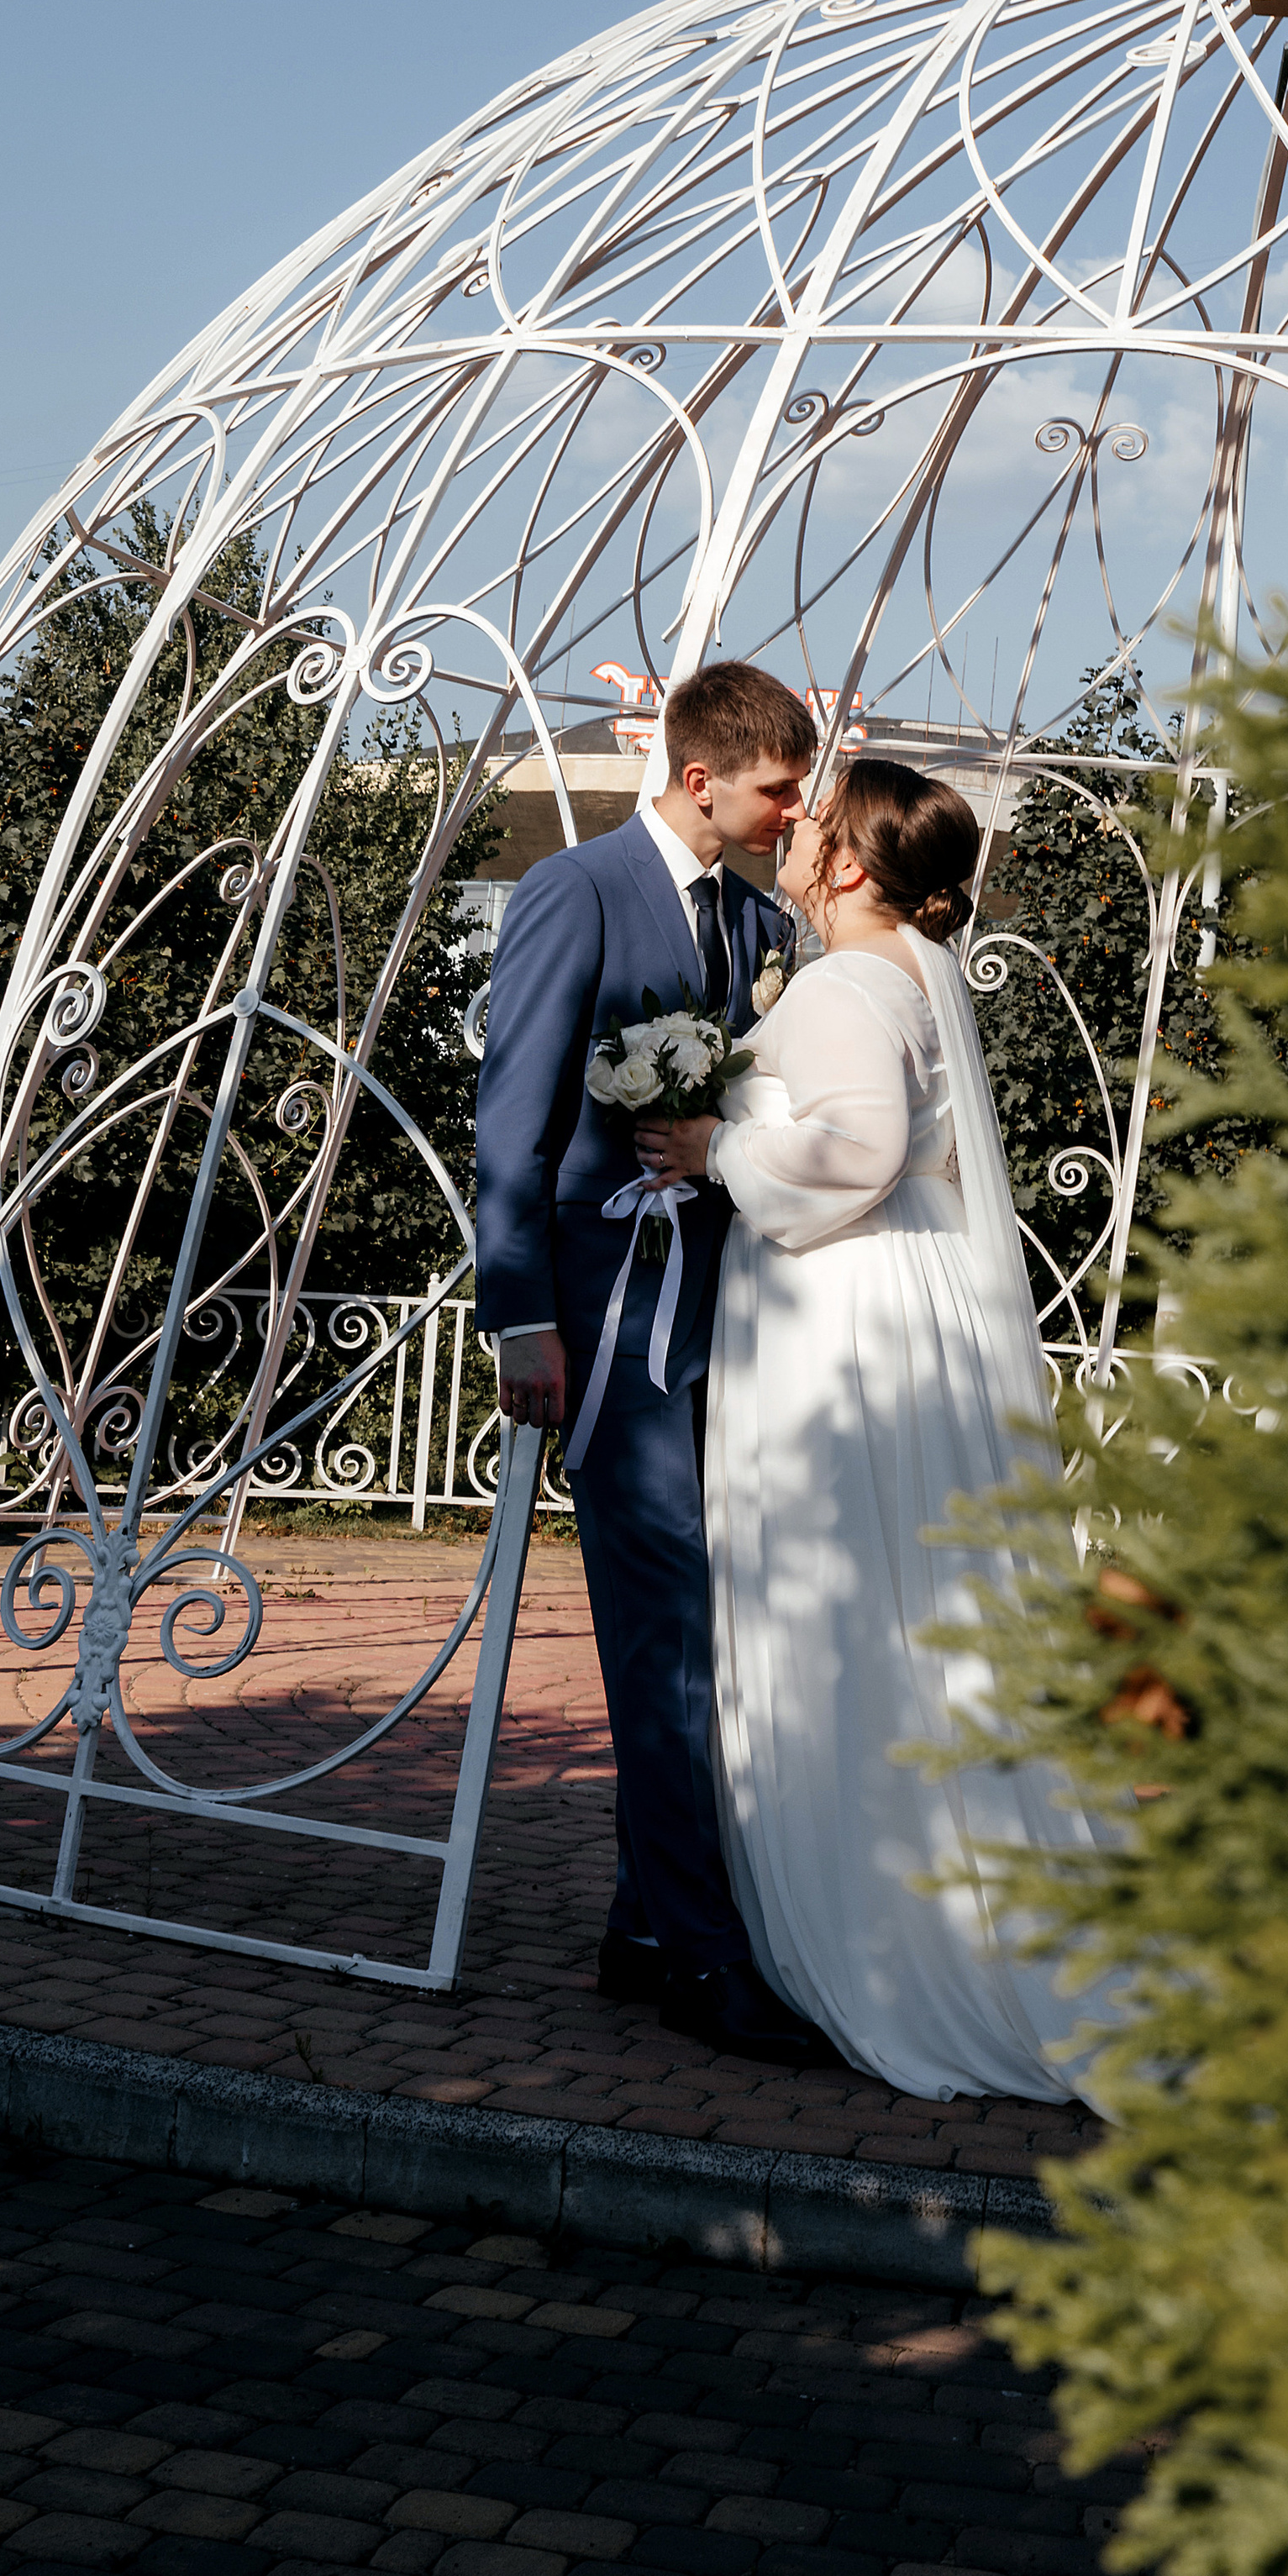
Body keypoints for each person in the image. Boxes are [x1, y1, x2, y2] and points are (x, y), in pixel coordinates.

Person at [633, 758, 1112, 2104]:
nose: (792, 837)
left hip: (837, 1310)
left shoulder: (846, 984)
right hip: (909, 1295)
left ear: (848, 865)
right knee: (907, 1604)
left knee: (842, 1609)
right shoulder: (914, 966)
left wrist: (713, 1153)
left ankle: (874, 1934)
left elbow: (853, 1152)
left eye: (815, 824)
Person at [474, 660, 823, 2064]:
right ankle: (700, 1948)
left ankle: (637, 1916)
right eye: (777, 787)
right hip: (605, 1318)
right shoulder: (575, 890)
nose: (796, 810)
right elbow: (516, 1111)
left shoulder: (753, 917)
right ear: (699, 779)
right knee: (668, 1620)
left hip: (726, 1312)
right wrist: (523, 1316)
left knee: (716, 1614)